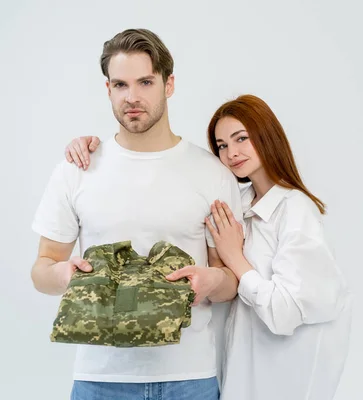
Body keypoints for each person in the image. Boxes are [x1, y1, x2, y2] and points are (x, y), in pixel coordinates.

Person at [65, 94, 352, 400]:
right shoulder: (237, 206)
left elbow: (285, 313)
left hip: (282, 380)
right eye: (222, 145)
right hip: (231, 377)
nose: (231, 153)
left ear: (268, 136)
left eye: (241, 138)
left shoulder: (295, 211)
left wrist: (235, 260)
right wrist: (101, 151)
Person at [31, 28, 243, 400]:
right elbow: (42, 269)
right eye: (120, 84)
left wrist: (210, 281)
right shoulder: (77, 168)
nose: (132, 97)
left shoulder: (211, 174)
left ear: (169, 84)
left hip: (189, 378)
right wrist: (64, 275)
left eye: (145, 82)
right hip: (100, 381)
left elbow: (231, 279)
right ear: (108, 89)